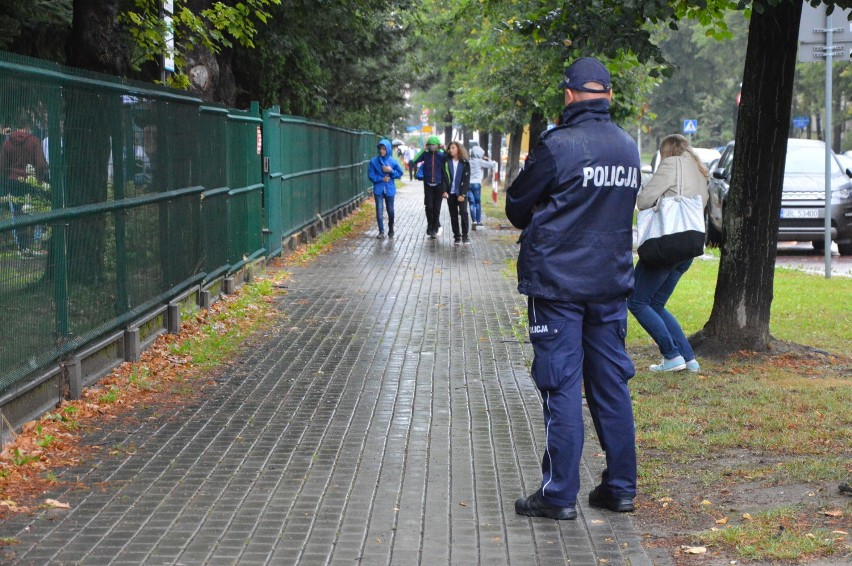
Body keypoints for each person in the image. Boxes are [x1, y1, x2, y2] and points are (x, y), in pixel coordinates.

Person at [505, 57, 640, 520]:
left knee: (560, 386)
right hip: (610, 285)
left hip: (559, 288)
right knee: (610, 387)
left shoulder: (558, 146)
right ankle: (620, 488)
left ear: (568, 96)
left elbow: (517, 208)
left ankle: (559, 494)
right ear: (608, 96)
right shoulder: (627, 147)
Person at [628, 134, 709, 372]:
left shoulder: (672, 164)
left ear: (667, 150)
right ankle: (688, 358)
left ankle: (672, 355)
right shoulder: (698, 167)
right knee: (657, 304)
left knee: (636, 301)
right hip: (688, 247)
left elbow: (644, 201)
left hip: (667, 245)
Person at [410, 135, 447, 239]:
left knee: (437, 208)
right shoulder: (426, 155)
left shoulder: (441, 155)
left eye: (434, 145)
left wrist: (444, 149)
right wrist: (423, 149)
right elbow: (414, 160)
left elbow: (449, 158)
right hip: (428, 184)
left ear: (438, 145)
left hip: (438, 184)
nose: (432, 147)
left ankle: (434, 228)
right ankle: (430, 225)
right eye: (430, 145)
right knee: (429, 206)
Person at [368, 139, 403, 239]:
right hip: (378, 189)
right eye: (380, 148)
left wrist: (390, 171)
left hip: (390, 189)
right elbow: (371, 175)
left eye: (384, 149)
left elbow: (399, 173)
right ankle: (381, 231)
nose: (382, 151)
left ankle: (391, 227)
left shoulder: (392, 161)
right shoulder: (374, 161)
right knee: (379, 210)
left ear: (388, 149)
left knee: (390, 210)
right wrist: (381, 178)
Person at [442, 141, 471, 245]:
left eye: (453, 148)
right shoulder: (446, 162)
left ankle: (465, 236)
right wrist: (444, 191)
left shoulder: (465, 163)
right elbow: (444, 178)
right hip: (451, 193)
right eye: (450, 148)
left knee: (463, 213)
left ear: (458, 149)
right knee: (453, 215)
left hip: (461, 193)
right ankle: (457, 237)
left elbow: (466, 179)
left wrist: (462, 194)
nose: (451, 150)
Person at [468, 143, 495, 230]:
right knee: (477, 203)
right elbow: (492, 165)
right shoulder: (479, 162)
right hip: (476, 184)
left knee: (471, 203)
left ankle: (474, 221)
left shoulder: (468, 161)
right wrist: (488, 159)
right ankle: (479, 222)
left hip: (468, 184)